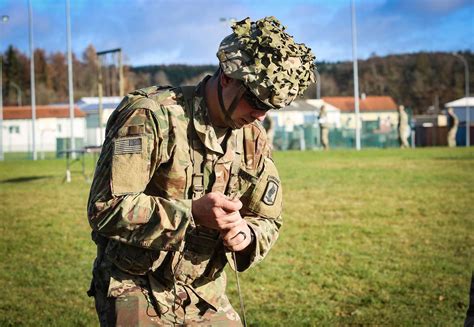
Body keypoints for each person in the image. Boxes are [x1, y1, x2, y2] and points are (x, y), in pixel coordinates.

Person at [87, 16, 315, 326]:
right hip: (136, 285)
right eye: (254, 100)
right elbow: (106, 208)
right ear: (226, 78)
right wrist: (191, 213)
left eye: (270, 106)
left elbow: (268, 218)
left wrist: (246, 234)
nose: (260, 115)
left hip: (205, 294)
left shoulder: (254, 138)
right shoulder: (151, 116)